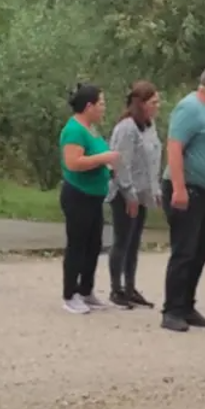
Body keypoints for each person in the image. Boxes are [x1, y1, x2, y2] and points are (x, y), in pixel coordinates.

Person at [159, 61, 205, 332]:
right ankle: (172, 310)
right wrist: (179, 188)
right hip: (186, 189)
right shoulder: (189, 108)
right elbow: (175, 147)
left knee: (199, 251)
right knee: (184, 251)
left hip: (202, 192)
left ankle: (187, 304)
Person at [59, 83, 119, 314]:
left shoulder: (91, 129)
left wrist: (107, 166)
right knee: (78, 245)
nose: (104, 108)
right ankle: (69, 294)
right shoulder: (74, 130)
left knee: (93, 245)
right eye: (101, 103)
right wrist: (103, 157)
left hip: (95, 195)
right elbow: (73, 162)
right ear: (89, 106)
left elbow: (93, 155)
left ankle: (86, 290)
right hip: (78, 195)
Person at [106, 80, 163, 309]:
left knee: (134, 240)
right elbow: (121, 163)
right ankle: (116, 288)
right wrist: (129, 194)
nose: (157, 106)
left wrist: (154, 189)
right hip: (124, 192)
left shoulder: (149, 125)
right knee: (122, 239)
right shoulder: (127, 128)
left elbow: (152, 159)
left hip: (142, 192)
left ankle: (130, 286)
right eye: (153, 102)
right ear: (141, 103)